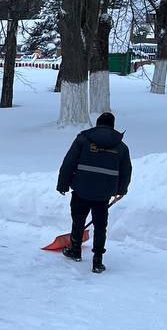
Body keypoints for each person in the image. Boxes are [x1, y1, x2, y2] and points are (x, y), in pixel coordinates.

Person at [56, 111, 133, 274]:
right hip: (103, 194)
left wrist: (63, 184)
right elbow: (126, 171)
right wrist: (121, 190)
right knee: (100, 226)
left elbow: (69, 162)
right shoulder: (121, 147)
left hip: (81, 189)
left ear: (97, 124)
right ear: (112, 126)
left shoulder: (83, 140)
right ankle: (97, 261)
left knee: (78, 220)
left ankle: (75, 250)